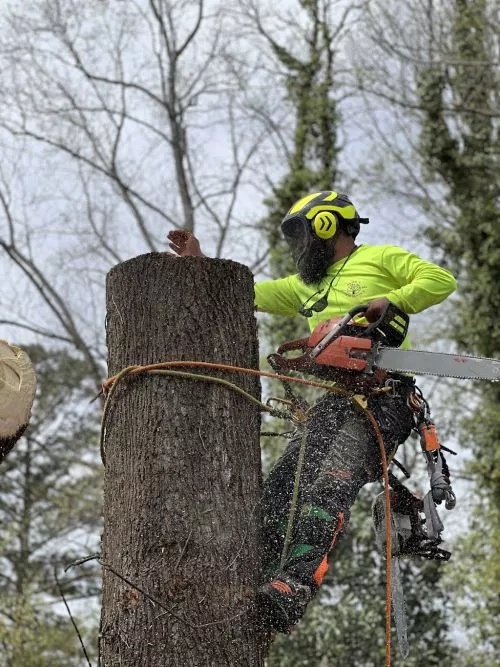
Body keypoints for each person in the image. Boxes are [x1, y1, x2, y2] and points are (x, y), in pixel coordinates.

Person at [167, 190, 457, 634]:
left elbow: (439, 279)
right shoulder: (306, 286)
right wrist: (201, 262)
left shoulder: (381, 257)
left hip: (387, 395)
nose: (299, 245)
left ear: (326, 225)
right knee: (283, 485)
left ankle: (295, 585)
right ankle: (254, 576)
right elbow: (246, 291)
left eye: (302, 233)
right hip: (336, 399)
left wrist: (393, 302)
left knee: (330, 483)